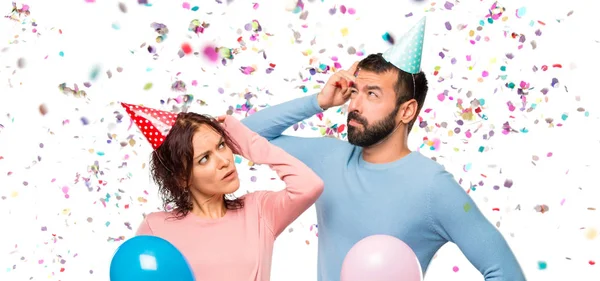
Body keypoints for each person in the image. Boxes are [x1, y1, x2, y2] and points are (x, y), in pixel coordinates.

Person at [241, 17, 526, 281]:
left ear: (406, 111)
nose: (354, 105)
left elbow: (505, 272)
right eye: (355, 92)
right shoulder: (329, 159)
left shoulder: (433, 187)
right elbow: (242, 137)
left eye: (372, 94)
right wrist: (318, 101)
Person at [121, 102, 324, 281]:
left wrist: (247, 141)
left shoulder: (259, 210)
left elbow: (309, 186)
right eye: (204, 158)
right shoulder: (155, 228)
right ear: (182, 178)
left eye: (221, 145)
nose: (224, 161)